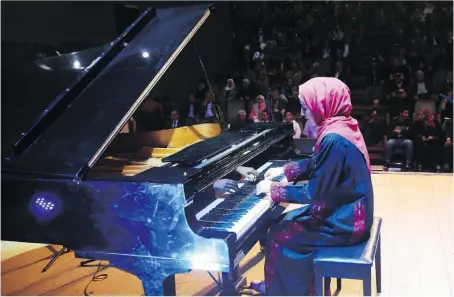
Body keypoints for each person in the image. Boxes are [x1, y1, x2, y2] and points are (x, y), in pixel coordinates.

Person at [248, 77, 373, 296]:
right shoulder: (343, 126)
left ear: (321, 104)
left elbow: (315, 193)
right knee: (285, 220)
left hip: (345, 222)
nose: (303, 113)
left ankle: (284, 291)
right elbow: (317, 163)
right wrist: (285, 172)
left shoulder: (333, 139)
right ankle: (286, 285)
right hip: (349, 210)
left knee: (278, 232)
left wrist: (274, 190)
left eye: (306, 107)